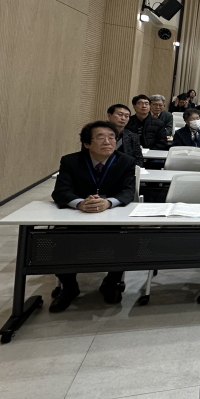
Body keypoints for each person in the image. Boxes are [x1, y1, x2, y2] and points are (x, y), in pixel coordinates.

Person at [49, 121, 136, 312]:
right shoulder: (71, 161)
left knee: (126, 239)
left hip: (112, 216)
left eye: (112, 137)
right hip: (77, 216)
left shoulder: (126, 161)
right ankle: (69, 288)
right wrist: (80, 203)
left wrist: (108, 202)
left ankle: (111, 284)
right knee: (57, 239)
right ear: (87, 143)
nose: (108, 142)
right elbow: (61, 191)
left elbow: (128, 191)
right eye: (100, 137)